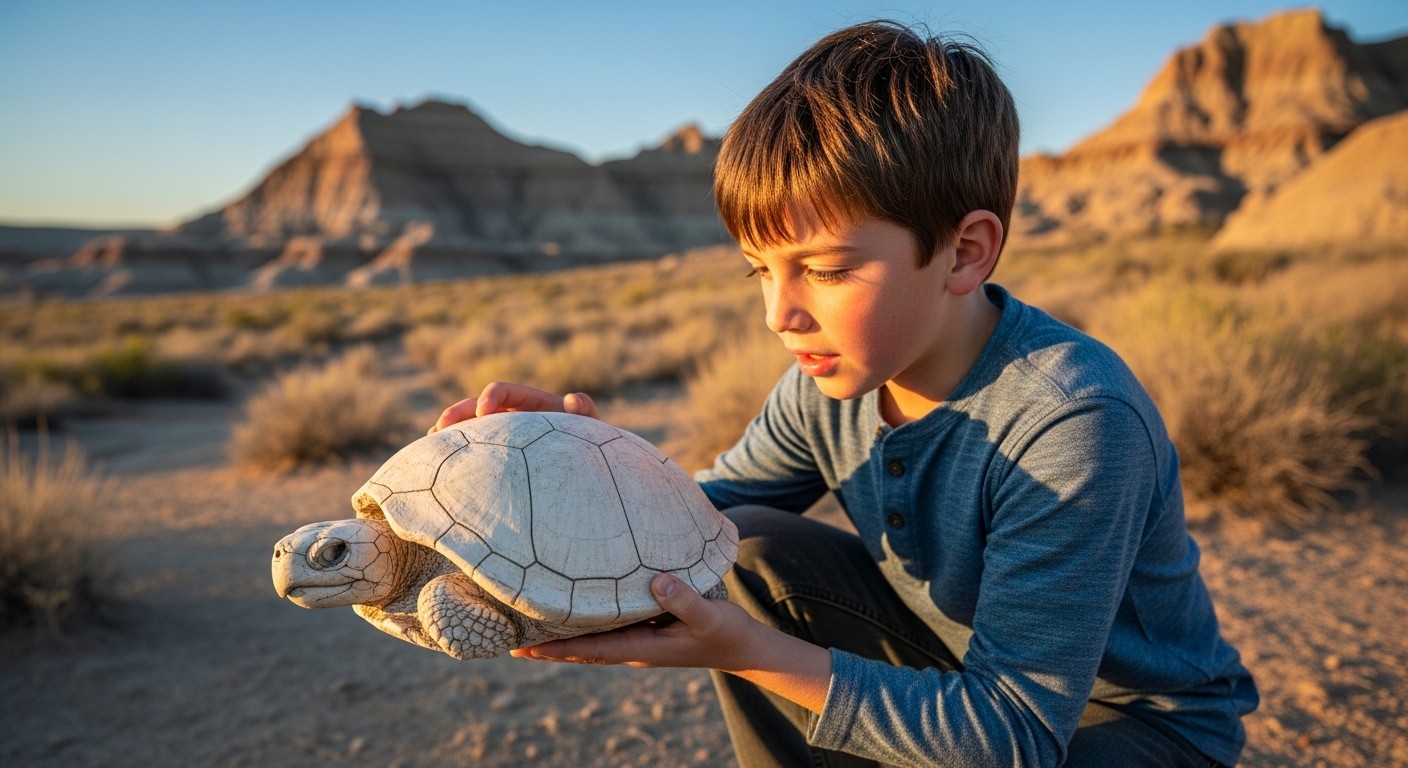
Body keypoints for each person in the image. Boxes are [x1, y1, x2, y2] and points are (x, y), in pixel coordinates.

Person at [429, 20, 1257, 768]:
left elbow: (1016, 736)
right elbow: (695, 521)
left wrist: (745, 648)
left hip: (1126, 730)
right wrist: (582, 469)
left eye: (825, 270)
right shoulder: (825, 387)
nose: (779, 314)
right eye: (761, 270)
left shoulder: (1071, 420)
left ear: (966, 253)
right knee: (745, 544)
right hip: (962, 679)